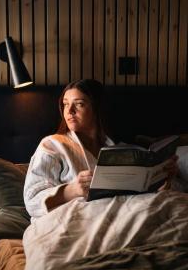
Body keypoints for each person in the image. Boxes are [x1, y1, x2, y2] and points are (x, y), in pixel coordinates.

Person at [24, 78, 178, 222]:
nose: (69, 111)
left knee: (176, 207)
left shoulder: (121, 151)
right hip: (70, 221)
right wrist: (73, 190)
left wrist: (163, 178)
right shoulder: (52, 145)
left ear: (97, 108)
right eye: (65, 104)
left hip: (117, 217)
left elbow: (139, 199)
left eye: (79, 104)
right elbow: (32, 201)